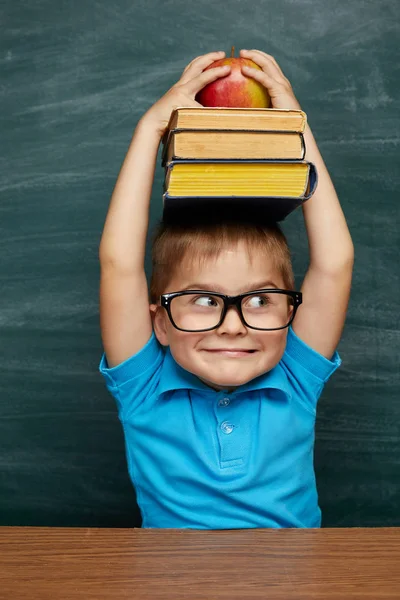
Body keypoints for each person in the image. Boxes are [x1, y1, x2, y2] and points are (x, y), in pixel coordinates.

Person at [98, 50, 354, 529]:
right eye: (203, 300)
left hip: (295, 579)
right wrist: (151, 128)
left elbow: (335, 263)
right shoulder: (144, 388)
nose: (234, 326)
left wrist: (295, 128)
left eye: (259, 300)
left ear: (290, 312)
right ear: (158, 321)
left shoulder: (294, 379)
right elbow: (119, 263)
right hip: (174, 579)